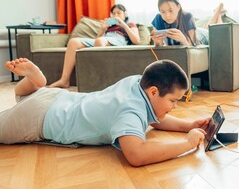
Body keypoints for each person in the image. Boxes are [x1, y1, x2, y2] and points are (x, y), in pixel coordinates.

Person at [1, 58, 211, 167]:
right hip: (40, 117)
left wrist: (188, 126)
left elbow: (154, 118)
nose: (175, 106)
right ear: (154, 91)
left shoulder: (138, 83)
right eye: (173, 100)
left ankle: (36, 83)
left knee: (23, 97)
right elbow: (136, 155)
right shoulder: (129, 111)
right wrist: (187, 144)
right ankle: (35, 85)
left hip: (56, 97)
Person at [50, 4, 141, 88]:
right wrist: (102, 29)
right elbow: (97, 40)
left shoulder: (130, 24)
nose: (115, 15)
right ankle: (64, 80)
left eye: (119, 13)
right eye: (113, 13)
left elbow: (137, 41)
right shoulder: (109, 26)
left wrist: (124, 25)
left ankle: (100, 81)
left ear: (125, 14)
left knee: (99, 41)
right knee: (73, 42)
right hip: (104, 39)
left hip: (119, 40)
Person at [151, 0, 227, 46]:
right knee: (206, 28)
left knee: (214, 31)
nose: (167, 15)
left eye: (170, 11)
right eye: (163, 12)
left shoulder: (187, 16)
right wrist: (157, 42)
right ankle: (218, 12)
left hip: (201, 37)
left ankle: (218, 13)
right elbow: (159, 48)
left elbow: (192, 48)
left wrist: (182, 39)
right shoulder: (159, 19)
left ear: (178, 7)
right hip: (195, 31)